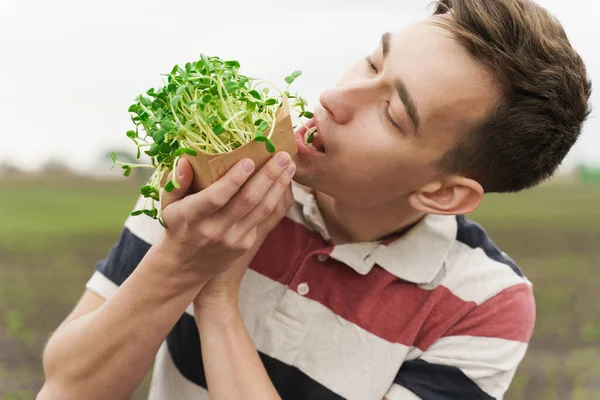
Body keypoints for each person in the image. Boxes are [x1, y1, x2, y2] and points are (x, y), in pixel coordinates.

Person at [37, 0, 591, 399]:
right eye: (374, 62)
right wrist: (180, 260)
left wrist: (217, 305)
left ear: (443, 192)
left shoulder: (483, 305)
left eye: (392, 113)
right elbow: (66, 388)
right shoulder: (211, 181)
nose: (333, 96)